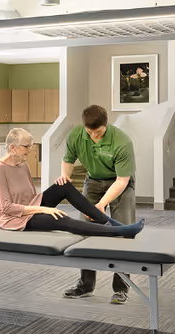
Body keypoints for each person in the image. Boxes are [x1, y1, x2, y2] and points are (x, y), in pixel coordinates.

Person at [0, 128, 144, 239]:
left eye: (31, 145)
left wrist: (41, 206)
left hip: (30, 207)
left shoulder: (22, 164)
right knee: (61, 218)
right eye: (27, 146)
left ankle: (111, 223)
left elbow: (31, 195)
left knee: (63, 185)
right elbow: (6, 207)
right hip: (12, 219)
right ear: (12, 148)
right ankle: (120, 231)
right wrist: (43, 210)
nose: (30, 150)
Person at [56, 104, 138, 304]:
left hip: (120, 184)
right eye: (90, 132)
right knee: (84, 230)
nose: (94, 136)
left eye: (99, 132)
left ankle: (121, 288)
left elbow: (121, 180)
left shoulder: (122, 142)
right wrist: (64, 177)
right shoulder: (76, 134)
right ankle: (85, 286)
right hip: (92, 181)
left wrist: (101, 204)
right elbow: (68, 160)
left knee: (123, 233)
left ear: (106, 125)